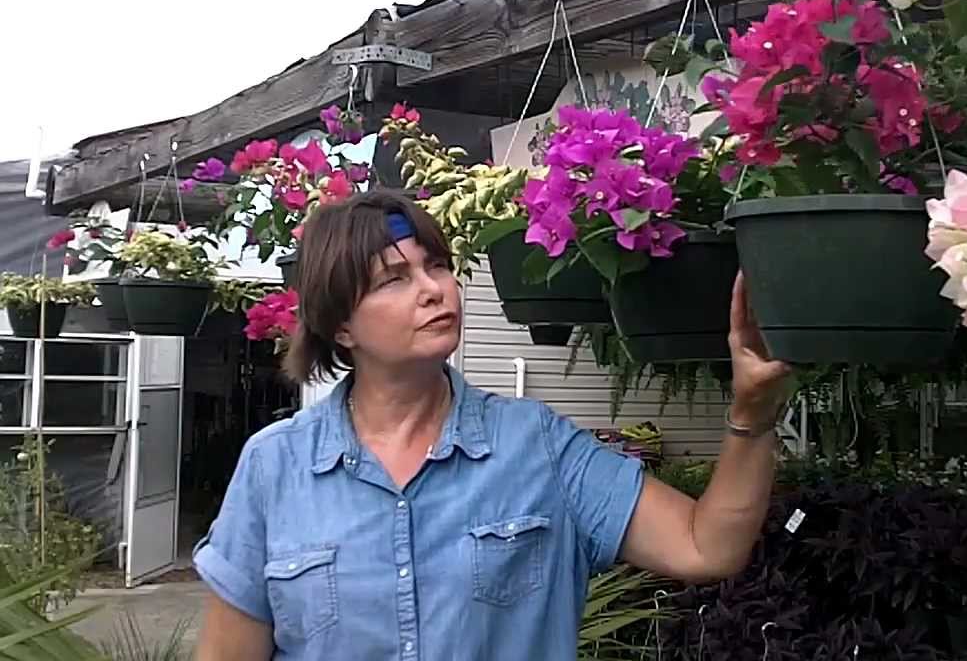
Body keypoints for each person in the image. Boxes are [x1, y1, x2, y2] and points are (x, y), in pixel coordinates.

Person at [192, 190, 792, 660]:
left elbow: (705, 545)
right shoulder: (275, 467)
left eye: (437, 266)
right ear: (341, 326)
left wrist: (752, 415)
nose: (433, 290)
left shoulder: (537, 447)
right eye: (393, 279)